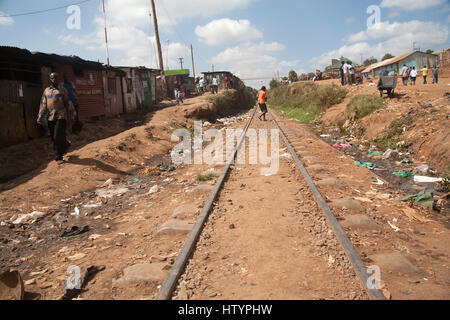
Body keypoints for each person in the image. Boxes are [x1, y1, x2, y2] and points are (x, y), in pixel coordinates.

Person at [37, 72, 76, 164]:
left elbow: (68, 102)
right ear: (50, 79)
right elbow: (43, 105)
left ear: (58, 79)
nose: (54, 80)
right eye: (52, 78)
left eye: (55, 78)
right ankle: (66, 144)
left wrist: (73, 113)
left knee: (57, 136)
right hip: (50, 117)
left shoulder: (62, 90)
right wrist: (40, 116)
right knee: (53, 138)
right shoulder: (46, 91)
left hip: (61, 116)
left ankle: (59, 156)